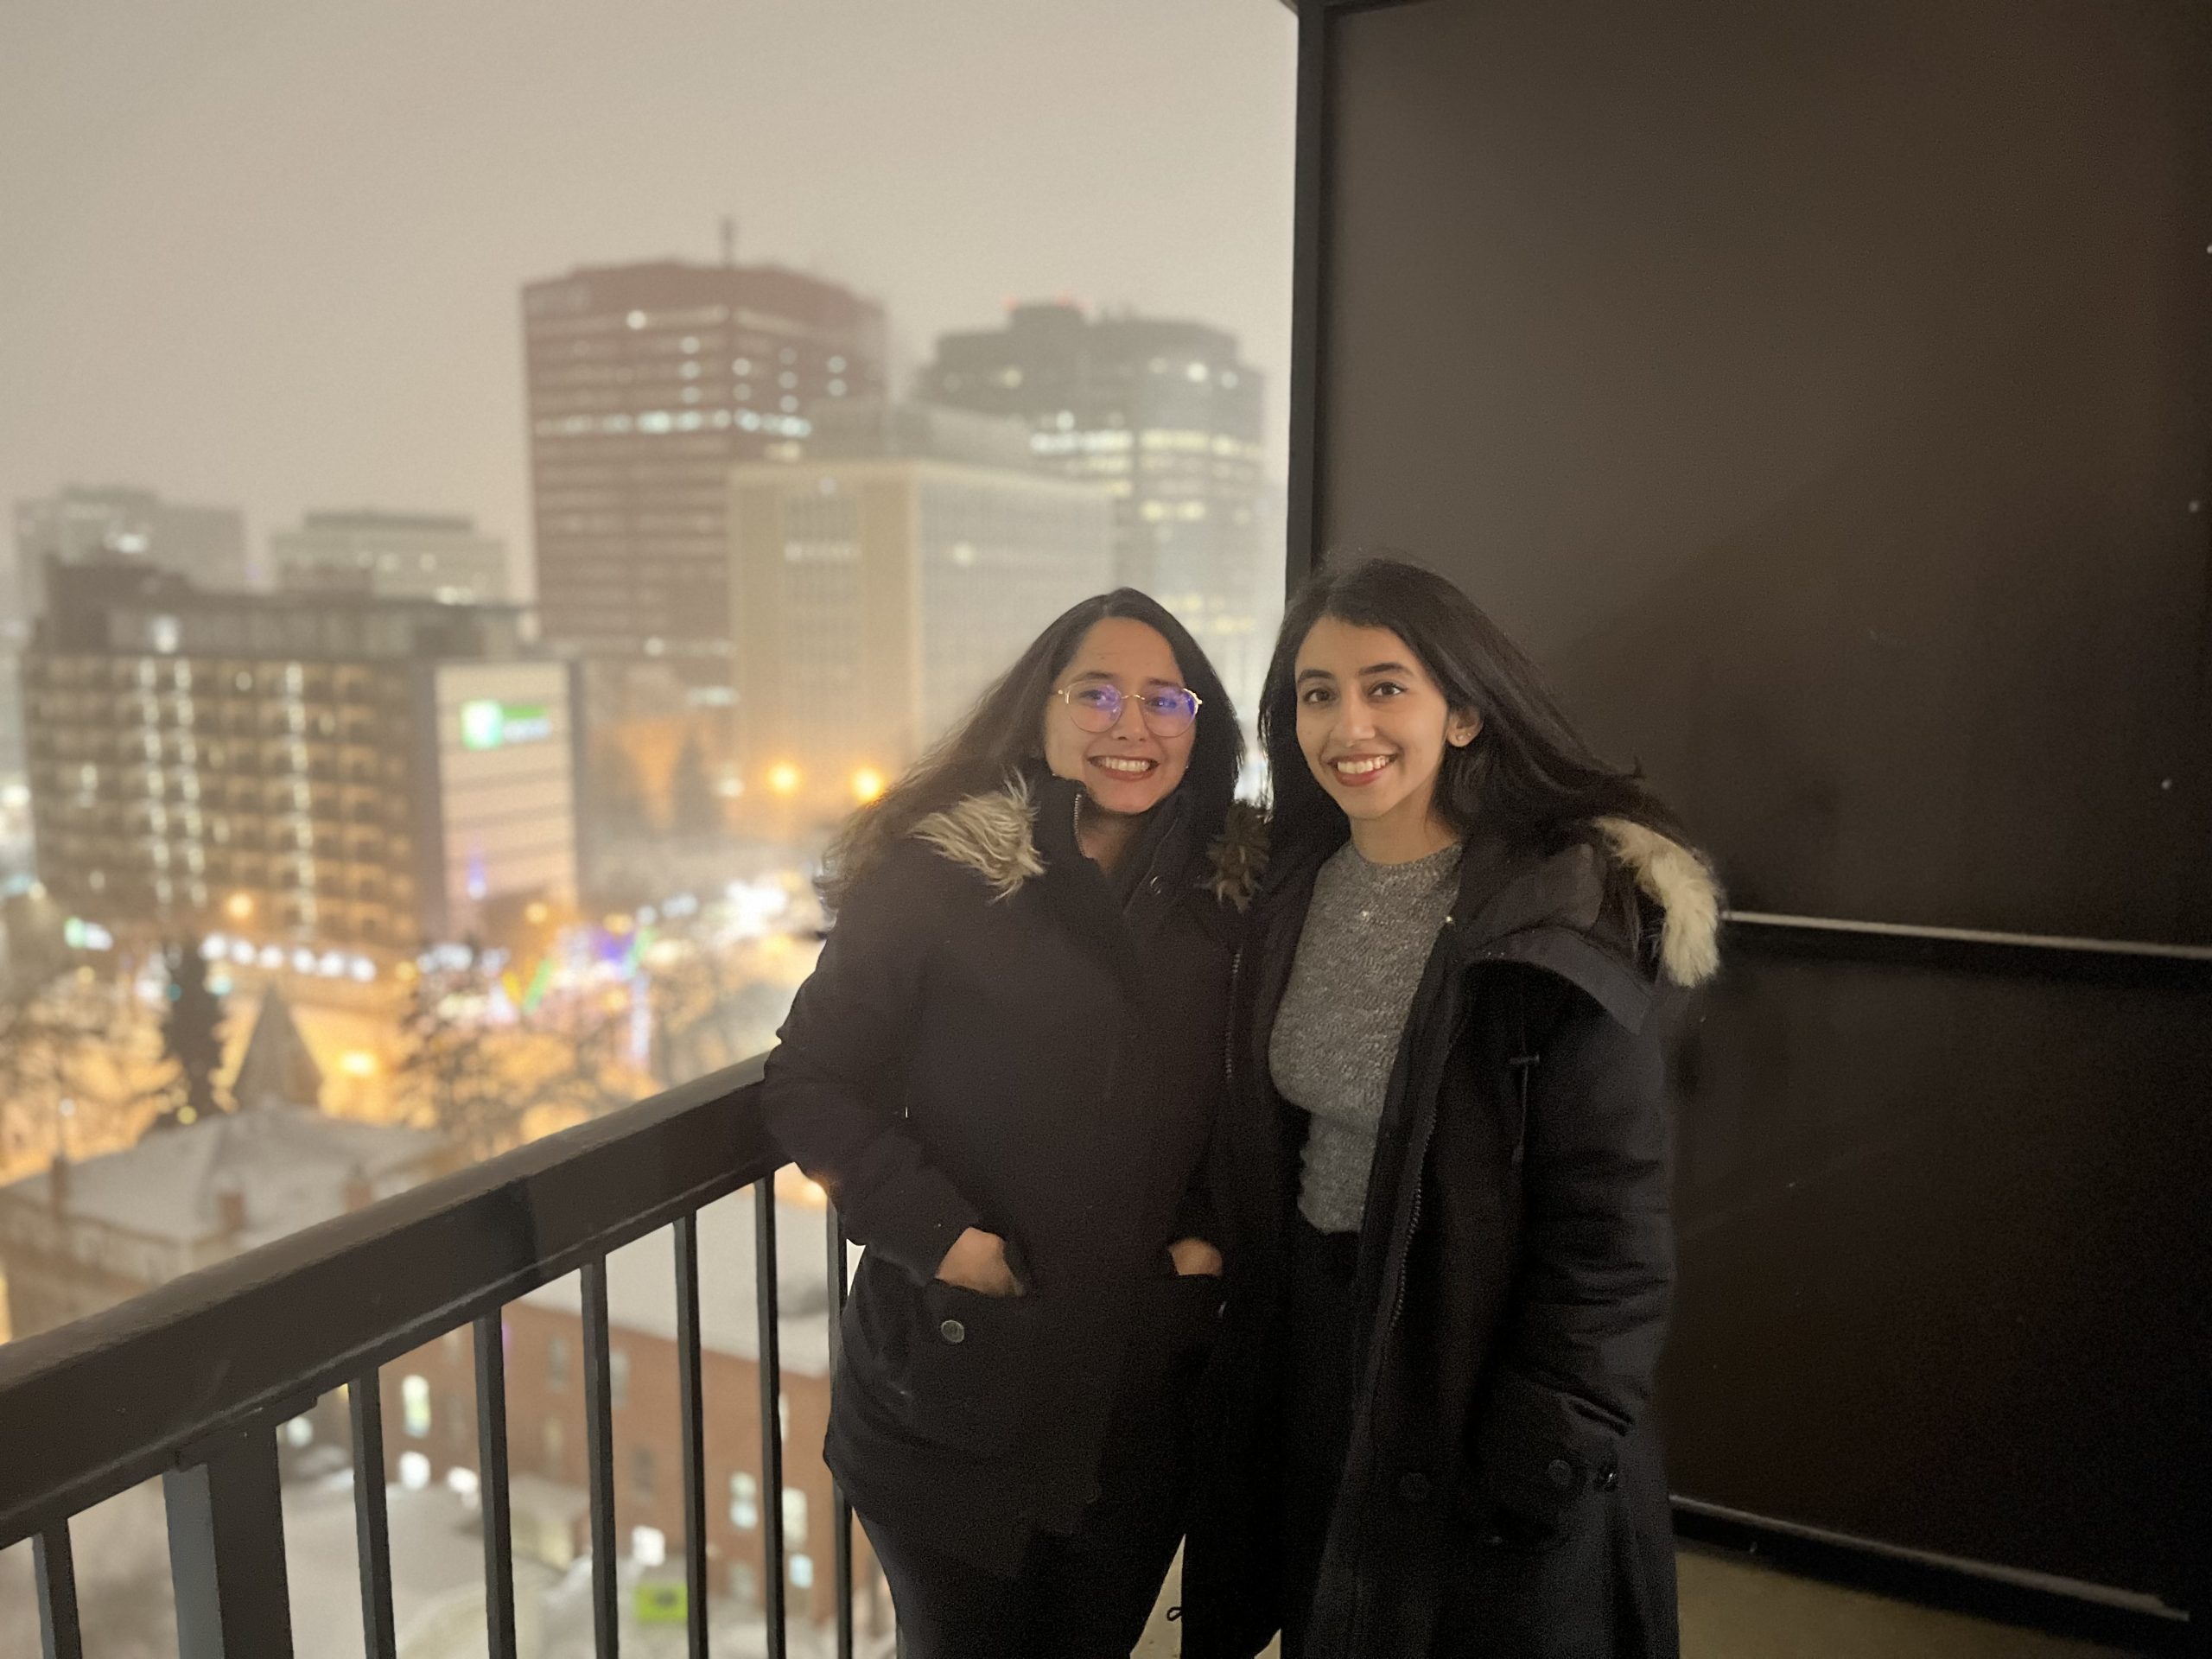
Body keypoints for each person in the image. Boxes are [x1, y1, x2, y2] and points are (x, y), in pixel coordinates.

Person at [1181, 556, 1720, 1659]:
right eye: (1317, 692)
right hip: (1321, 1347)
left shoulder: (1550, 916)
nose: (1347, 724)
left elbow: (1609, 1235)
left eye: (1386, 686)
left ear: (1465, 713)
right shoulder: (1293, 889)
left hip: (1473, 1366)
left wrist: (1545, 1452)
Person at [760, 589, 1264, 1658]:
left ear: (1199, 725)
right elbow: (811, 1080)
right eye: (1097, 693)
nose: (1132, 725)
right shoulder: (939, 877)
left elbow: (1262, 1099)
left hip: (1138, 1393)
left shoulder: (1240, 896)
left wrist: (1206, 1241)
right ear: (1039, 711)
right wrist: (951, 1245)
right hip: (950, 1385)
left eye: (1164, 699)